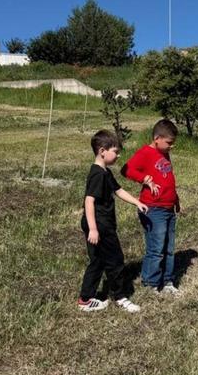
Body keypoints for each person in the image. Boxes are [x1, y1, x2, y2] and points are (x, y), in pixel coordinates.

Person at [78, 130, 148, 313]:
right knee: (116, 261)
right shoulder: (97, 174)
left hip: (100, 224)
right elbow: (89, 201)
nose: (118, 155)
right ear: (103, 151)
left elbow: (118, 190)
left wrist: (137, 202)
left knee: (98, 261)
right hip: (100, 225)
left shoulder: (105, 172)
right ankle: (120, 296)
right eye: (115, 151)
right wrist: (93, 229)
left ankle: (85, 299)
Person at [122, 118, 181, 293]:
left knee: (169, 248)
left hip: (168, 207)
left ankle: (168, 281)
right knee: (156, 248)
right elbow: (126, 169)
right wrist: (143, 179)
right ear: (157, 138)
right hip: (153, 208)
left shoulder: (164, 153)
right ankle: (151, 282)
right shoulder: (145, 153)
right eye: (169, 143)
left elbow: (167, 178)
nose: (172, 146)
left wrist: (175, 199)